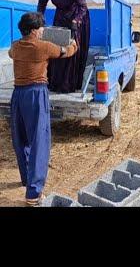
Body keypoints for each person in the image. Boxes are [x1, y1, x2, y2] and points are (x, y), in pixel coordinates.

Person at [8, 12, 78, 205]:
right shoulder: (43, 47)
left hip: (18, 94)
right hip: (35, 94)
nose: (42, 32)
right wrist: (74, 41)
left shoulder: (15, 47)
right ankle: (33, 194)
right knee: (40, 141)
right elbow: (66, 51)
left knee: (21, 139)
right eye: (40, 29)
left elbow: (11, 53)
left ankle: (27, 179)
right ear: (33, 31)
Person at [37, 0, 90, 93]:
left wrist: (75, 22)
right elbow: (42, 2)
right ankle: (55, 83)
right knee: (56, 47)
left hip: (77, 16)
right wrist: (39, 21)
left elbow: (83, 6)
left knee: (71, 48)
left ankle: (68, 85)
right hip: (60, 15)